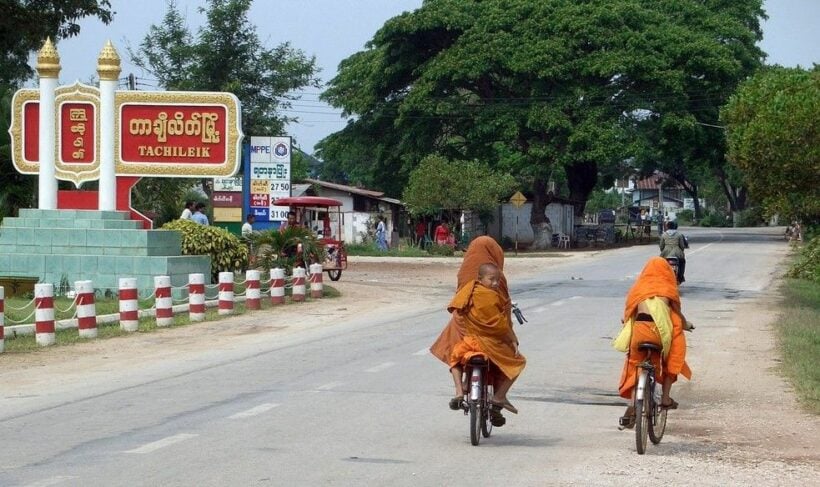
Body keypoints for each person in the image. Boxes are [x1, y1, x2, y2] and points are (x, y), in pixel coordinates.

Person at [430, 236, 523, 427]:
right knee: (513, 359)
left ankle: (461, 388)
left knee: (455, 353)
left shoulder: (467, 274)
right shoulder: (499, 278)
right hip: (492, 335)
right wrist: (511, 336)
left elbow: (457, 304)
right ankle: (499, 397)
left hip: (464, 329)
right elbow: (502, 316)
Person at [613, 256, 693, 429]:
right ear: (666, 272)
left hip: (640, 332)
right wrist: (686, 325)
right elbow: (677, 316)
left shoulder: (638, 288)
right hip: (659, 334)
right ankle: (665, 398)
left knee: (635, 364)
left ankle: (633, 405)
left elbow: (626, 315)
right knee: (673, 357)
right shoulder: (668, 288)